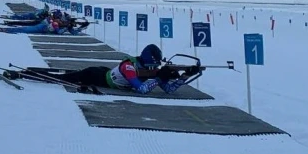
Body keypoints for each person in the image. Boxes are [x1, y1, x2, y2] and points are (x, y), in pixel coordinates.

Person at [17, 44, 187, 95]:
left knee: (69, 74)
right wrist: (158, 78)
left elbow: (169, 90)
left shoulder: (150, 69)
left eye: (157, 66)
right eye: (154, 65)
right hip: (96, 76)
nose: (156, 68)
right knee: (67, 78)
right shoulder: (129, 66)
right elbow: (141, 89)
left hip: (107, 72)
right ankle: (27, 74)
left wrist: (184, 77)